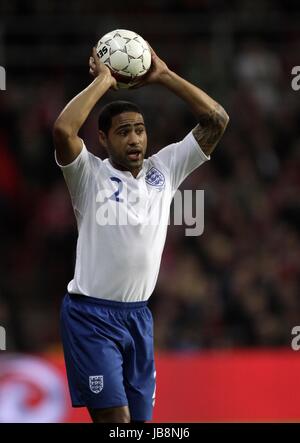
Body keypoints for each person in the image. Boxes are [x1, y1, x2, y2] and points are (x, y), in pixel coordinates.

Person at [53, 44, 229, 423]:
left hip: (138, 318)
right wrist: (103, 81)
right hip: (91, 318)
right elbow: (64, 130)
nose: (134, 140)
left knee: (142, 426)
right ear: (103, 139)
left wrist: (164, 76)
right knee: (116, 423)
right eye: (123, 133)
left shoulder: (164, 169)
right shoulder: (88, 175)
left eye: (139, 131)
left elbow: (217, 119)